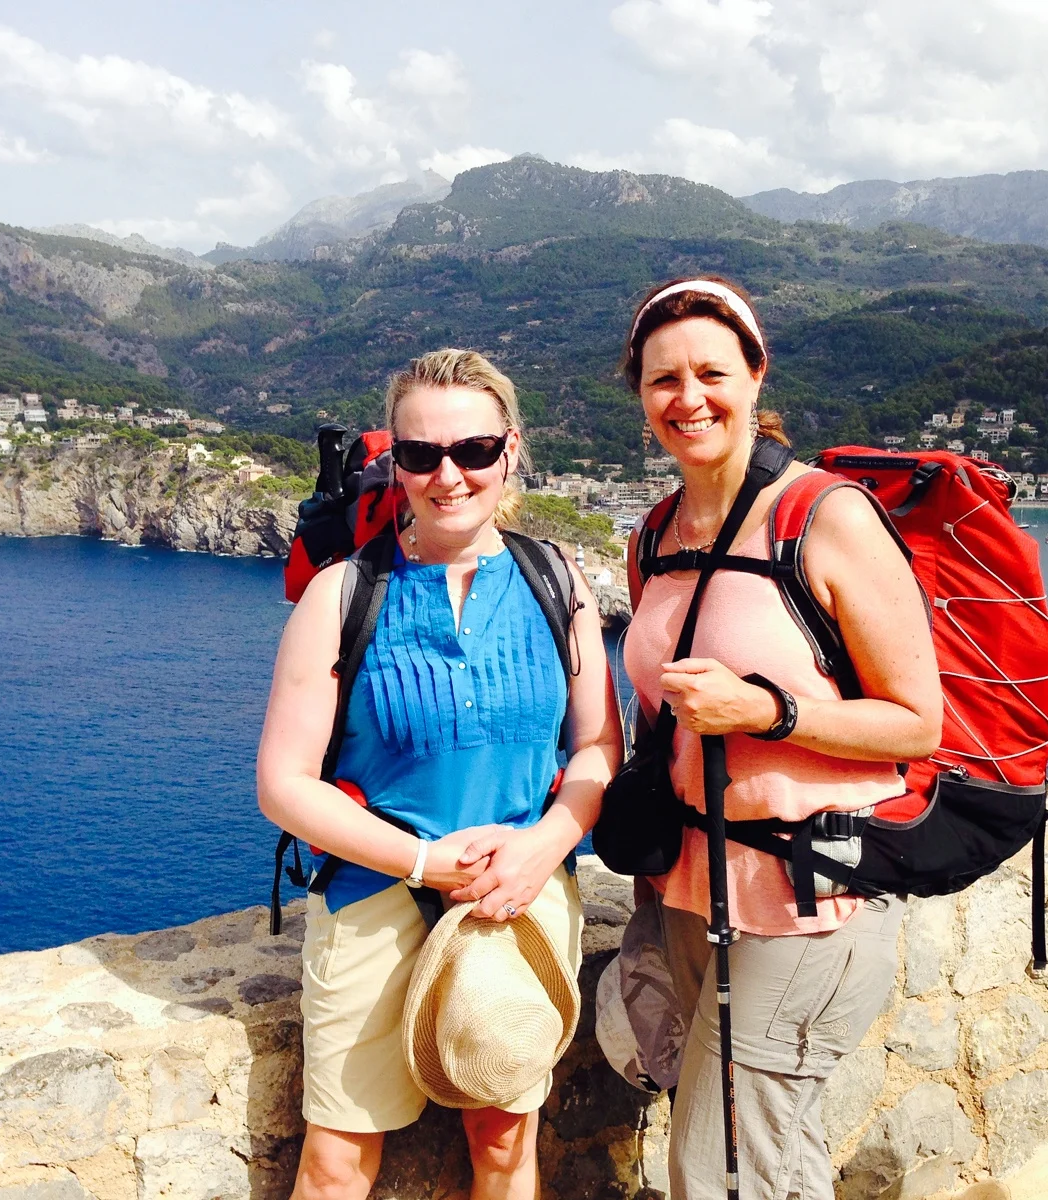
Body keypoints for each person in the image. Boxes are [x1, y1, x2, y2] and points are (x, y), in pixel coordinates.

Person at [258, 348, 623, 1200]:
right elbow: (283, 782)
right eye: (421, 455)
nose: (448, 476)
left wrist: (544, 847)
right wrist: (421, 864)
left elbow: (600, 750)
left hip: (520, 893)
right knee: (338, 1159)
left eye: (474, 451)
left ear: (512, 449)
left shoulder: (555, 582)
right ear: (397, 463)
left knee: (503, 1140)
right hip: (374, 897)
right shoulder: (343, 595)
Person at [618, 279, 942, 1199]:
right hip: (689, 887)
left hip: (805, 901)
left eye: (712, 372)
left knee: (714, 1170)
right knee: (774, 1158)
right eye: (662, 380)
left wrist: (769, 712)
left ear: (756, 377)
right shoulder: (654, 536)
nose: (689, 398)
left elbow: (918, 721)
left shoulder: (825, 517)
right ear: (640, 397)